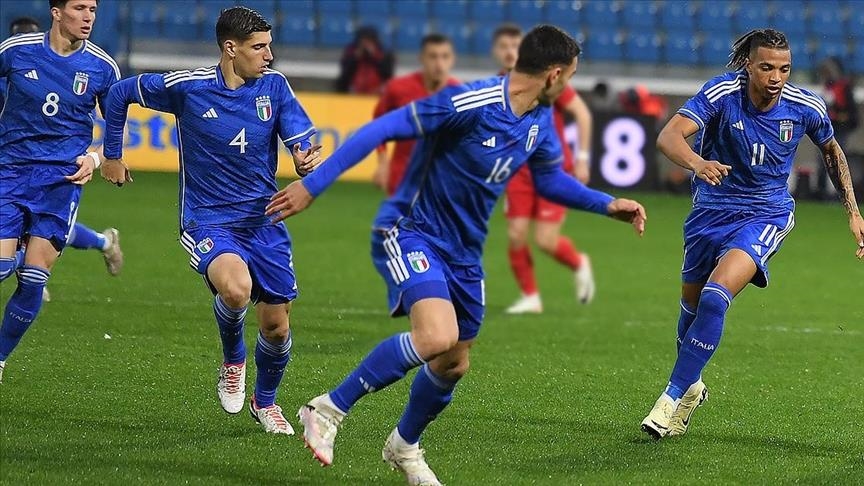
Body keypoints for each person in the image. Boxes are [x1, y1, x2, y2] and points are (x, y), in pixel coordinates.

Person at [267, 25, 646, 485]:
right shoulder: (470, 103)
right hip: (414, 232)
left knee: (453, 362)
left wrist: (606, 204)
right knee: (435, 337)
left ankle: (404, 446)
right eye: (569, 76)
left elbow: (550, 180)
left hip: (464, 253)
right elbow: (383, 128)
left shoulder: (539, 119)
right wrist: (312, 184)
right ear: (553, 74)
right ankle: (327, 409)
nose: (569, 85)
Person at [99, 6, 323, 434]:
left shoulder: (274, 87)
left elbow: (301, 139)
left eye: (269, 46)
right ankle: (233, 361)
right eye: (259, 47)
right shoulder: (189, 88)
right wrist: (112, 154)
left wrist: (303, 158)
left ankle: (265, 402)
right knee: (236, 289)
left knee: (277, 329)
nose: (269, 55)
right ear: (230, 48)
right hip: (208, 221)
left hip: (264, 221)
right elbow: (119, 92)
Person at [641, 29, 864, 440]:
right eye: (766, 67)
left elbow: (832, 152)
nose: (776, 77)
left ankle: (669, 399)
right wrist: (697, 163)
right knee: (690, 308)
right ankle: (691, 388)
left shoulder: (804, 106)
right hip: (710, 212)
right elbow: (668, 136)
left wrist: (853, 212)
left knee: (715, 296)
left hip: (766, 214)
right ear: (749, 65)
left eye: (784, 68)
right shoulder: (722, 94)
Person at [0, 0, 119, 383]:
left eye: (93, 10)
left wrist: (96, 159)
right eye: (79, 8)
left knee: (35, 277)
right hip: (11, 172)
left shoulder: (102, 67)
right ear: (56, 12)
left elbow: (117, 130)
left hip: (61, 181)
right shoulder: (15, 50)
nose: (88, 17)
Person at [491, 24, 597, 314]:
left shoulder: (548, 79)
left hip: (552, 169)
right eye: (503, 46)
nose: (509, 52)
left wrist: (582, 158)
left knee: (545, 241)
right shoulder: (496, 85)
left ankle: (579, 262)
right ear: (496, 51)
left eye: (515, 45)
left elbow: (582, 115)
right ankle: (531, 297)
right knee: (516, 234)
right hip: (517, 171)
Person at [371, 33, 459, 195]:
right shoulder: (397, 88)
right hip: (402, 177)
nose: (439, 64)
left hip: (443, 180)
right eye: (433, 56)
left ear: (453, 59)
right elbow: (378, 126)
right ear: (421, 58)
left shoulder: (461, 94)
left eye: (445, 56)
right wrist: (383, 163)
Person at [814, 56, 859, 200]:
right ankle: (821, 191)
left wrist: (839, 116)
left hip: (840, 129)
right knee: (823, 161)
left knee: (837, 161)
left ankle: (840, 193)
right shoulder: (828, 87)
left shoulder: (844, 87)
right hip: (827, 128)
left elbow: (851, 114)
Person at [336, 26, 394, 95]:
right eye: (363, 41)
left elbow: (388, 75)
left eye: (369, 41)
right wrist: (355, 58)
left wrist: (375, 56)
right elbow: (344, 75)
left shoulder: (384, 53)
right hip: (354, 93)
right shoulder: (351, 52)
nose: (366, 44)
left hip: (377, 93)